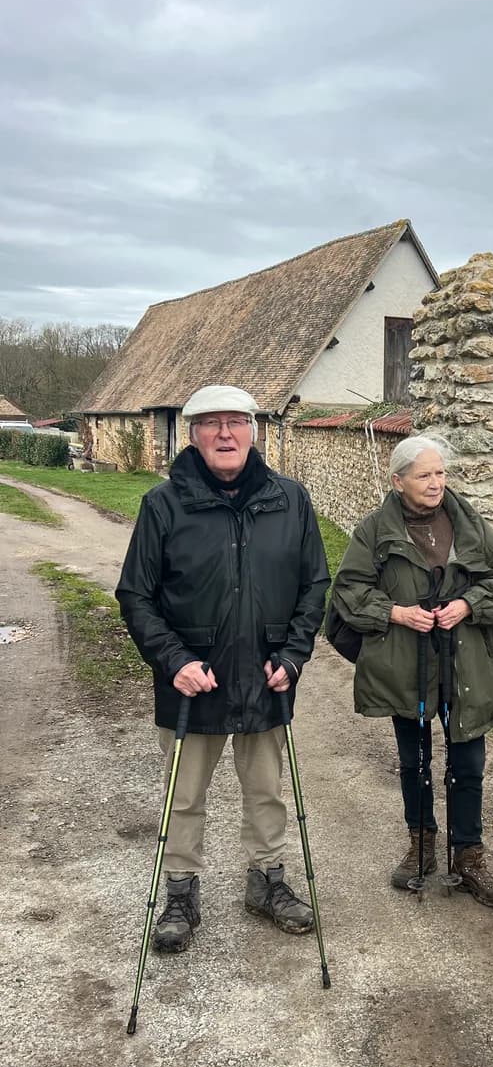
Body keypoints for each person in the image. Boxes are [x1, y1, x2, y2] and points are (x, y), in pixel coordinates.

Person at [116, 384, 329, 952]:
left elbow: (315, 585)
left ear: (253, 432)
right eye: (211, 423)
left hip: (266, 676)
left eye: (236, 422)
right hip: (192, 682)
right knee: (184, 795)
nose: (225, 433)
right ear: (193, 435)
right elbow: (136, 595)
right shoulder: (164, 504)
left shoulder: (290, 500)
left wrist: (294, 656)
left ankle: (268, 881)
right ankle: (180, 893)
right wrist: (174, 661)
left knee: (266, 791)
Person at [329, 433, 493, 906]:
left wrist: (468, 605)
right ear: (398, 481)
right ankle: (421, 846)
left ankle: (469, 855)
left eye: (440, 473)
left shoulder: (468, 521)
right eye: (424, 475)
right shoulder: (375, 530)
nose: (436, 483)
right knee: (414, 760)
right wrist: (396, 613)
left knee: (468, 763)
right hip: (407, 663)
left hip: (464, 663)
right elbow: (349, 590)